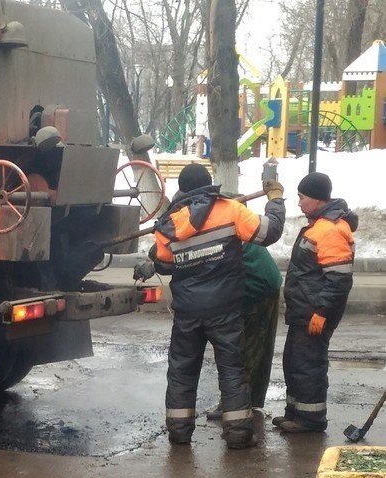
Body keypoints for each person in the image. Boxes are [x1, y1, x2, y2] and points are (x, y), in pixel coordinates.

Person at [140, 163, 285, 449]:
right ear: (209, 184)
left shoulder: (170, 223)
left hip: (187, 313)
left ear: (182, 191)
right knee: (232, 370)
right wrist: (276, 200)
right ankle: (239, 435)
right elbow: (270, 232)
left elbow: (165, 263)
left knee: (182, 370)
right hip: (224, 310)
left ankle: (179, 433)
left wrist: (153, 261)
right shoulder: (230, 210)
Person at [273, 172, 357, 433]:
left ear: (317, 199)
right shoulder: (320, 225)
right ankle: (295, 413)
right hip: (306, 310)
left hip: (314, 312)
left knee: (308, 364)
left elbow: (339, 280)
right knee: (295, 361)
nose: (299, 203)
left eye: (302, 197)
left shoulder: (330, 229)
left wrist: (321, 312)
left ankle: (310, 420)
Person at [206, 241, 282, 420]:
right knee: (258, 348)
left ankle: (237, 405)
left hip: (256, 286)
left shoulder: (205, 226)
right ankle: (251, 402)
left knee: (245, 348)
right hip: (264, 280)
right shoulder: (224, 218)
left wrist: (155, 262)